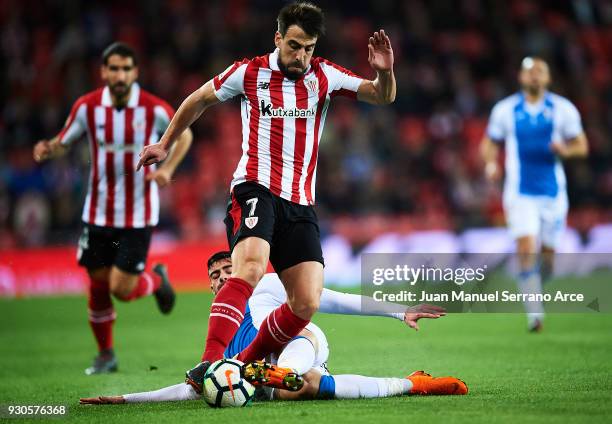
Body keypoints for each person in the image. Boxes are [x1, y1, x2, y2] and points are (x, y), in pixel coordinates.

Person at [137, 1, 396, 391]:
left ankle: (239, 365)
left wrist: (386, 72)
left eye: (308, 47)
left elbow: (382, 96)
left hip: (300, 203)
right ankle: (209, 362)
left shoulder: (325, 74)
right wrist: (164, 142)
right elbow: (199, 99)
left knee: (305, 301)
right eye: (294, 45)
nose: (302, 55)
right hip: (254, 188)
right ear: (278, 37)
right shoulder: (249, 71)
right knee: (252, 268)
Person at [79, 252, 467, 405]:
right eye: (214, 276)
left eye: (227, 270)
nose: (220, 279)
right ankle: (413, 383)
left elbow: (331, 299)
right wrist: (127, 399)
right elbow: (194, 387)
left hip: (304, 340)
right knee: (295, 391)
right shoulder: (223, 331)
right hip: (289, 371)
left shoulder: (265, 284)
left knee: (284, 372)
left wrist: (400, 312)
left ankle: (278, 375)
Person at [33, 42, 193, 374]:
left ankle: (155, 283)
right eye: (114, 69)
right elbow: (65, 139)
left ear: (135, 72)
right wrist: (49, 148)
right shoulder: (87, 107)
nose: (120, 75)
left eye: (126, 69)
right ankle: (106, 354)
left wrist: (167, 170)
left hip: (136, 217)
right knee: (98, 282)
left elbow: (186, 136)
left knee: (121, 288)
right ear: (104, 72)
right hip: (97, 214)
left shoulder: (152, 108)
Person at [480, 56, 588, 332]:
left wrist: (566, 150)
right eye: (530, 72)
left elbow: (582, 146)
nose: (535, 76)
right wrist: (491, 163)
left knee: (548, 259)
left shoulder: (563, 109)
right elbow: (489, 144)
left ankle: (538, 281)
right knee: (526, 248)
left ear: (548, 78)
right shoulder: (505, 110)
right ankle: (535, 314)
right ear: (521, 78)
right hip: (520, 194)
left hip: (553, 194)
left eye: (540, 71)